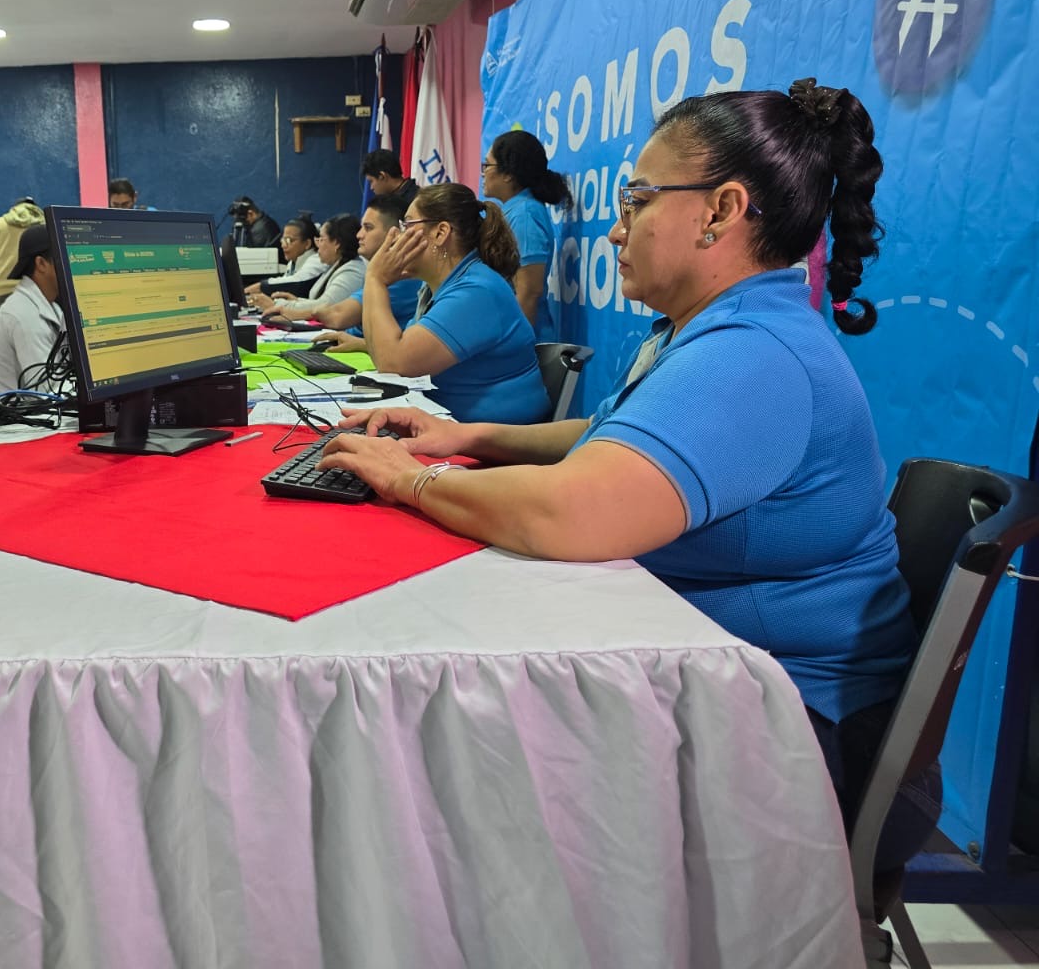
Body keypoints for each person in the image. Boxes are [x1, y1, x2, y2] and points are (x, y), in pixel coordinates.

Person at [321, 80, 936, 873]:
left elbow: (573, 513)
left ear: (720, 210)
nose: (615, 229)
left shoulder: (755, 357)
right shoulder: (715, 328)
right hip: (746, 687)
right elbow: (612, 436)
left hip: (807, 738)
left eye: (637, 200)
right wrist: (465, 435)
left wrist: (411, 481)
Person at [342, 183, 547, 422]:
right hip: (456, 429)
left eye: (407, 225)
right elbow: (406, 347)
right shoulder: (441, 287)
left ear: (440, 233)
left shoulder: (477, 291)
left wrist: (375, 278)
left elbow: (395, 362)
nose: (398, 236)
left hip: (494, 446)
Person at [292, 193, 424, 347]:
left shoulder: (402, 275)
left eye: (368, 228)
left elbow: (338, 316)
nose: (359, 235)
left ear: (394, 233)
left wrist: (297, 311)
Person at [482, 130, 570, 341]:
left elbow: (529, 292)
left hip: (522, 345)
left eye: (487, 166)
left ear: (508, 173)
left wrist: (511, 348)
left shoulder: (525, 215)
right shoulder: (514, 211)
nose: (483, 173)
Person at [0, 225, 69, 407]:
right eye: (65, 257)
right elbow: (46, 391)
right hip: (10, 425)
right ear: (41, 264)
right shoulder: (23, 315)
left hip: (31, 414)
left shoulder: (50, 308)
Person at [255, 214, 364, 318]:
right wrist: (296, 301)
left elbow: (324, 307)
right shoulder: (335, 266)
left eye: (321, 239)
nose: (317, 245)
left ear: (336, 243)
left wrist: (277, 305)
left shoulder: (352, 272)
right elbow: (318, 303)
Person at [0, 197, 44, 317]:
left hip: (0, 292)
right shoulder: (45, 225)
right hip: (37, 292)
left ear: (14, 208)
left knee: (4, 335)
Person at [245, 213, 324, 300]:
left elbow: (296, 282)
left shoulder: (317, 260)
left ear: (307, 244)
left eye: (289, 240)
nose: (283, 245)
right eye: (283, 240)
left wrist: (261, 286)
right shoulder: (293, 262)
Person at [362, 148, 418, 212]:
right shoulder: (391, 200)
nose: (371, 188)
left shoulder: (416, 201)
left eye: (371, 181)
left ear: (382, 176)